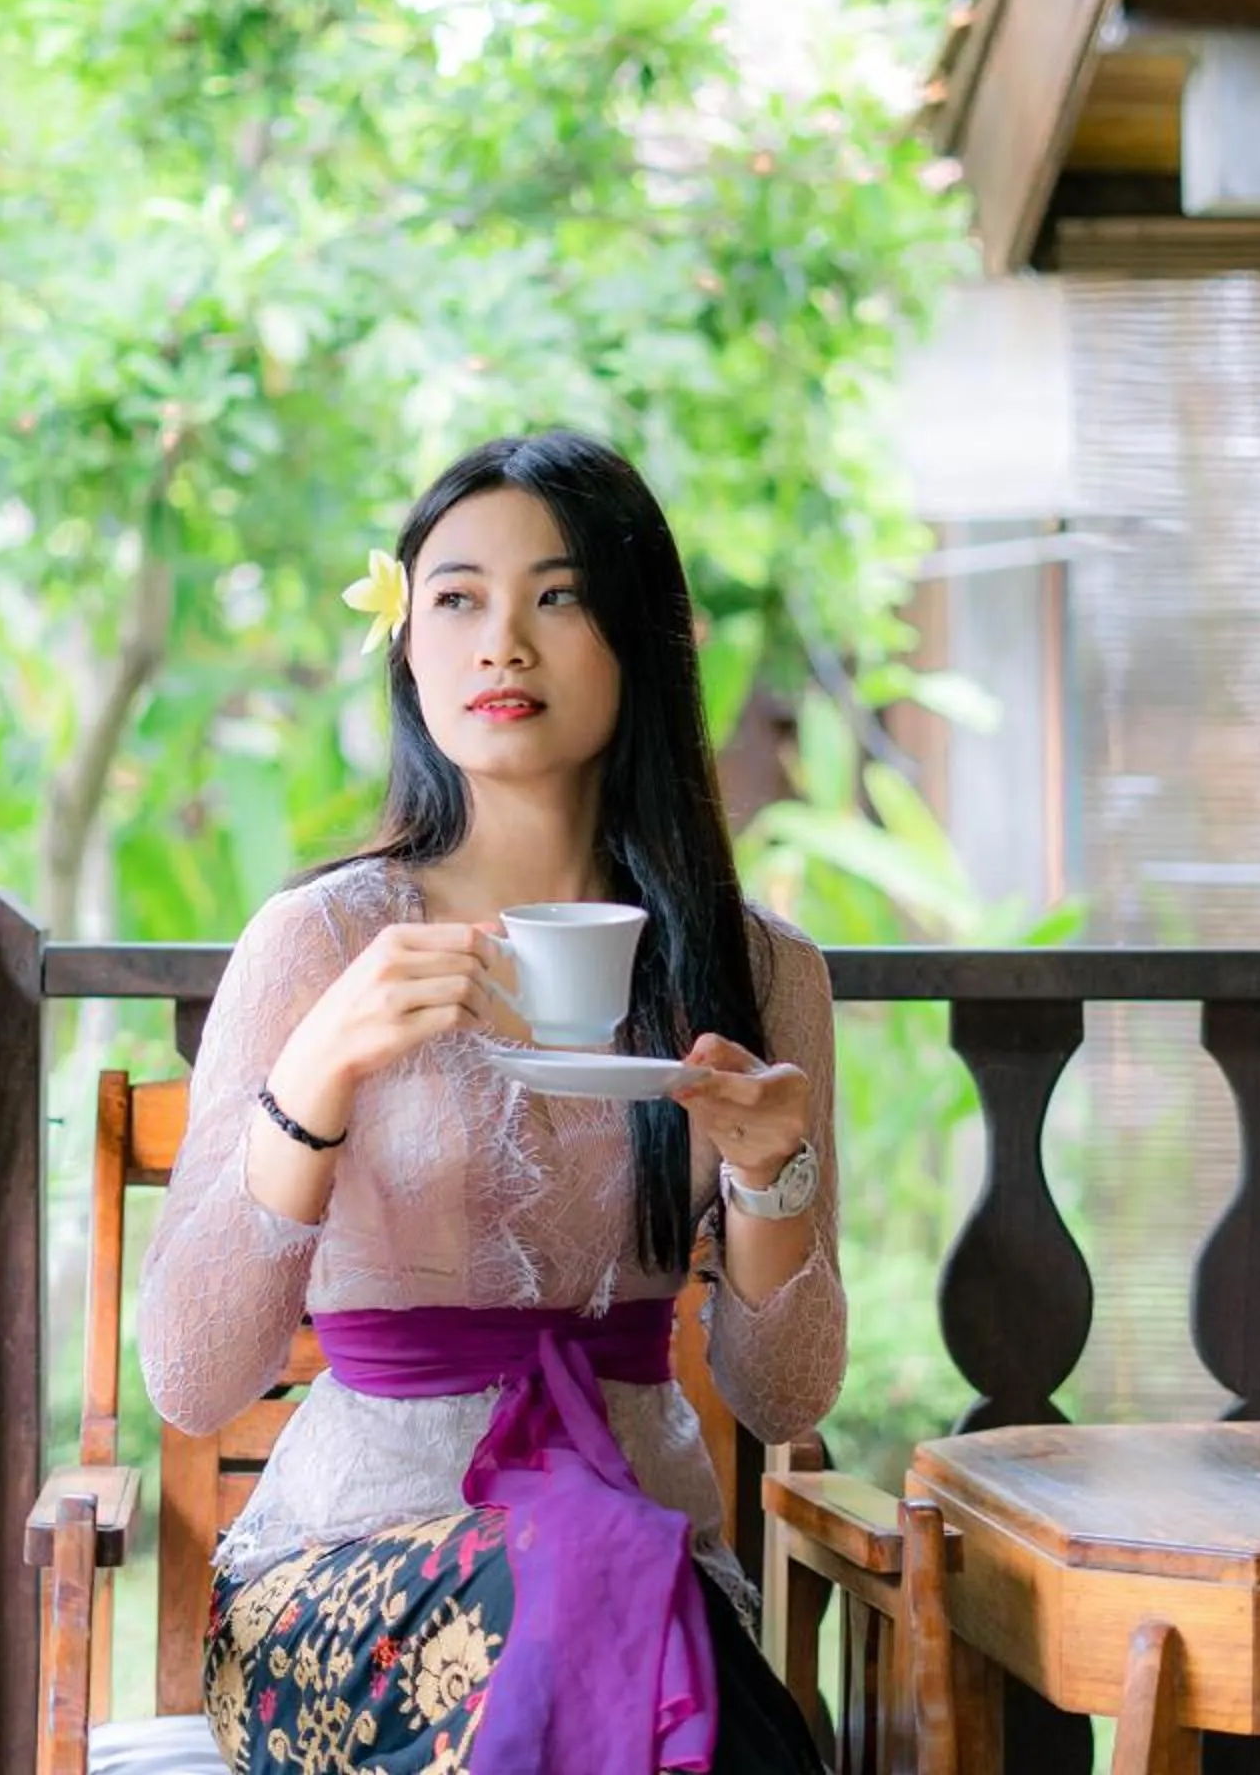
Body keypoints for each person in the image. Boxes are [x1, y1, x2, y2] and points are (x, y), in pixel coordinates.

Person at [138, 431, 845, 1775]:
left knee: (617, 1608)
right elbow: (192, 1379)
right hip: (338, 1596)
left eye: (557, 596)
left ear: (642, 639)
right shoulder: (319, 941)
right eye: (456, 598)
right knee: (612, 1621)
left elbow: (784, 1395)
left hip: (645, 1591)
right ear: (407, 643)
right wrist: (315, 1075)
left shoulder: (758, 975)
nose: (500, 644)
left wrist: (773, 1179)